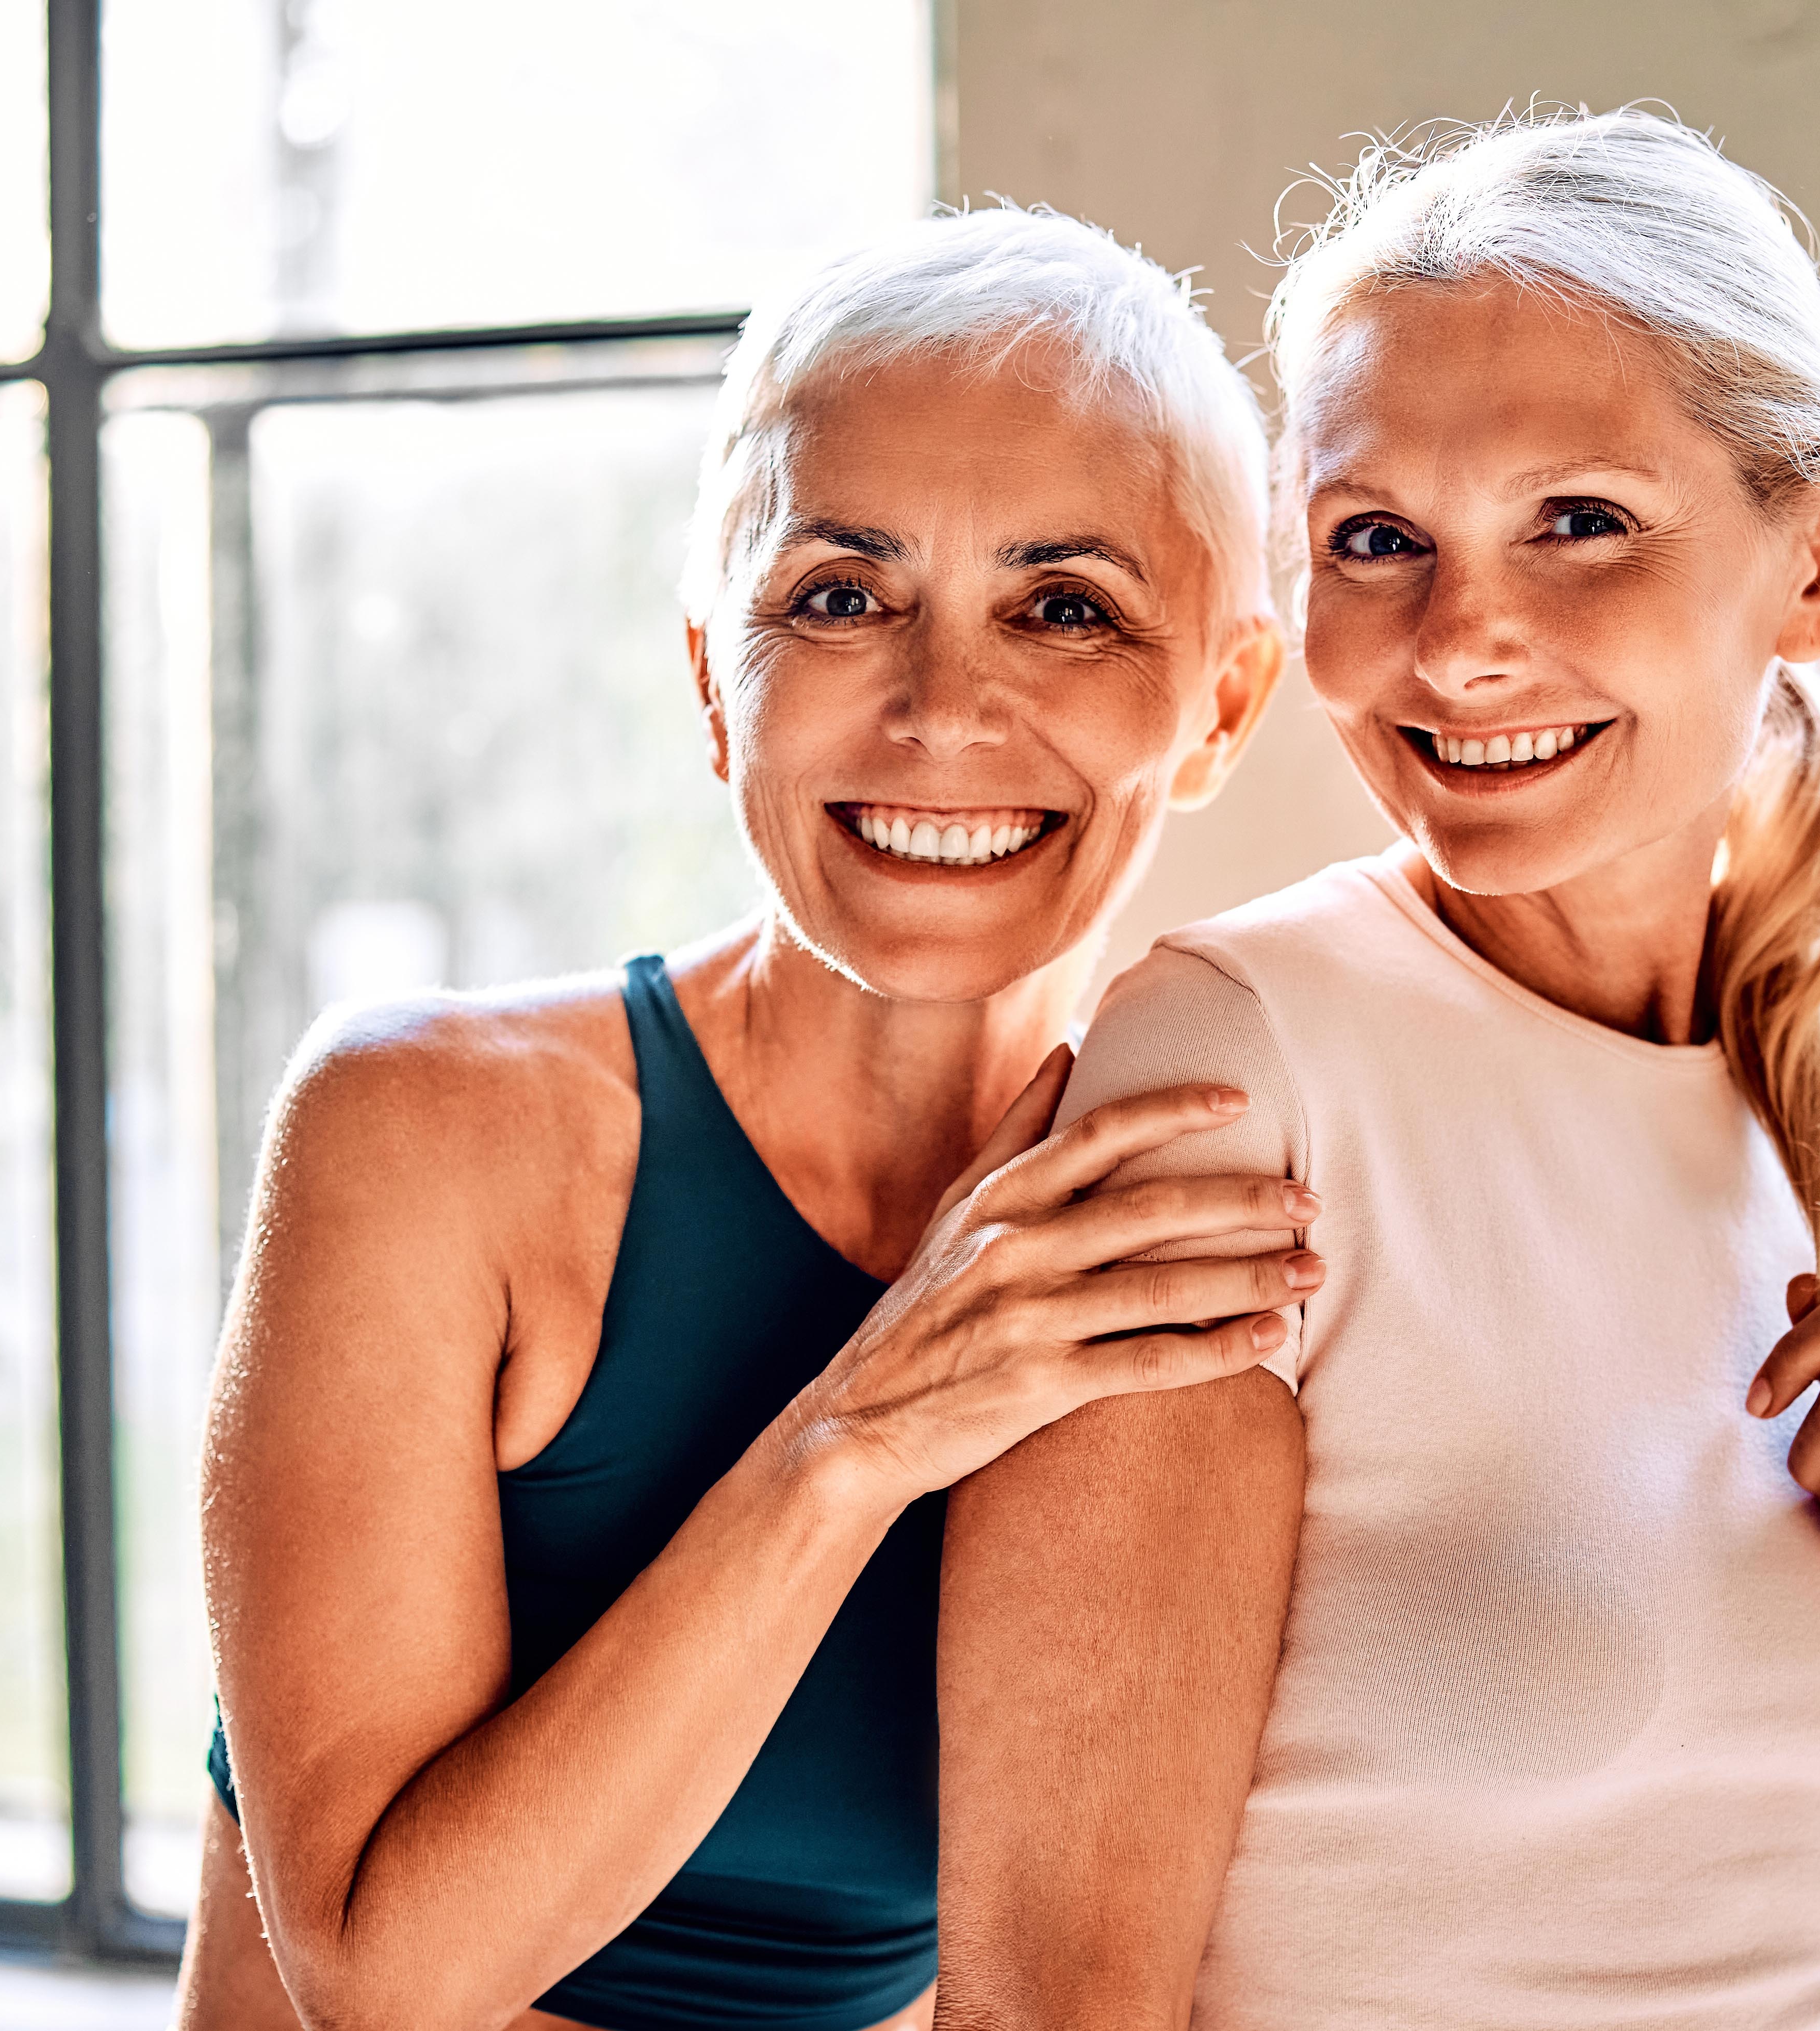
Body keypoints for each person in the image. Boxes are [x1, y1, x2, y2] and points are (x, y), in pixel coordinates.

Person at [936, 110, 1820, 2029]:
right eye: (1374, 540)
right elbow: (1051, 1998)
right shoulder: (1234, 1068)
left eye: (1579, 520)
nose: (1461, 643)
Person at [181, 205, 1313, 2031]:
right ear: (716, 674)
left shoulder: (1162, 1229)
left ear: (1221, 701)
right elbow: (385, 1977)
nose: (943, 709)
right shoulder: (421, 1132)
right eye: (842, 596)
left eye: (1065, 608)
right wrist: (862, 1428)